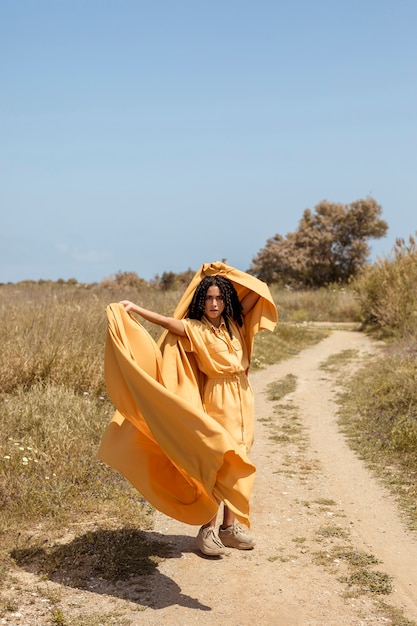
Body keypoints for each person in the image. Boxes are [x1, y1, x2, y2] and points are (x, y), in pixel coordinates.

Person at [98, 261, 277, 557]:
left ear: (227, 300)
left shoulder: (234, 323)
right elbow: (169, 323)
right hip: (217, 397)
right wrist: (136, 309)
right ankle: (207, 531)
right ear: (200, 301)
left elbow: (260, 290)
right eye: (208, 298)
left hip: (243, 397)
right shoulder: (196, 329)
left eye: (220, 298)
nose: (214, 303)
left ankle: (229, 528)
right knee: (218, 463)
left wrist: (219, 273)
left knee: (240, 457)